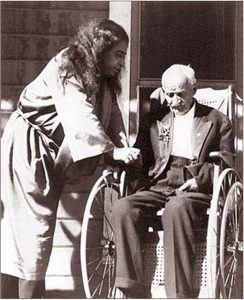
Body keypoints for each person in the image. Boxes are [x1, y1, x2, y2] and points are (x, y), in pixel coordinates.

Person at [1, 19, 140, 298]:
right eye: (119, 55)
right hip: (27, 148)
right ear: (100, 49)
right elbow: (80, 115)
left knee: (33, 233)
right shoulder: (68, 63)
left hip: (48, 155)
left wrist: (124, 149)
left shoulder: (104, 80)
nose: (121, 63)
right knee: (33, 232)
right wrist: (112, 151)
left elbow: (112, 119)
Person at [113, 64, 234, 298]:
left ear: (193, 90)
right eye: (169, 94)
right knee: (123, 207)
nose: (174, 100)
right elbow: (143, 155)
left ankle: (179, 293)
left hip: (193, 184)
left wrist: (199, 179)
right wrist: (126, 159)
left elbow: (225, 163)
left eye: (181, 94)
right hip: (160, 180)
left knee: (176, 209)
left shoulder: (217, 120)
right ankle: (132, 287)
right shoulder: (155, 119)